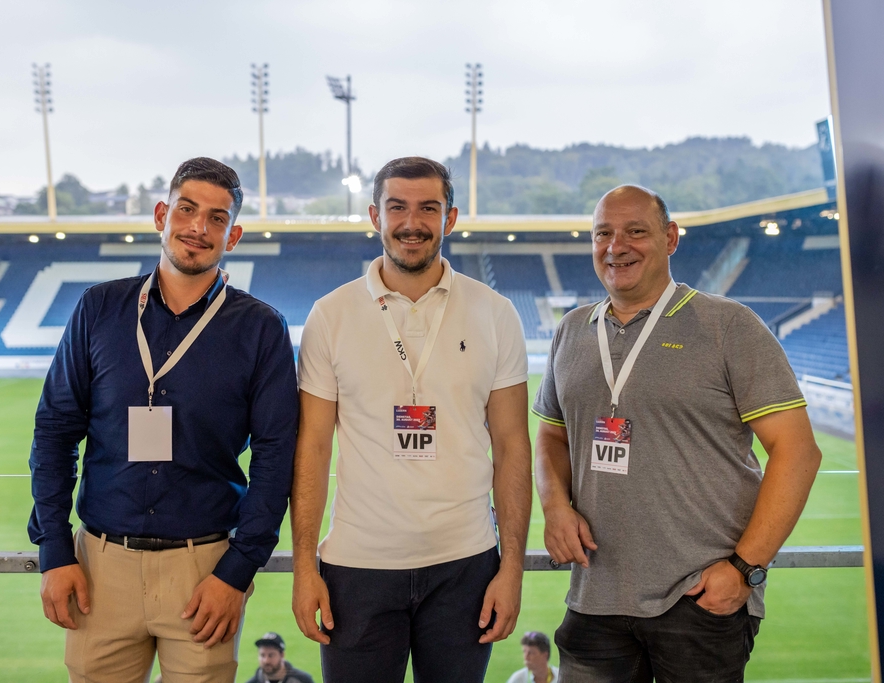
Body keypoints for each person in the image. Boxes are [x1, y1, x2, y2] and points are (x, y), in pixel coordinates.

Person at [533, 184, 822, 682]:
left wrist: (745, 569)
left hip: (698, 600)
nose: (615, 246)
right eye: (603, 233)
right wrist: (555, 504)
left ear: (670, 238)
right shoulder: (572, 330)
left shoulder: (727, 326)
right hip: (595, 599)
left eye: (635, 232)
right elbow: (552, 437)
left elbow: (798, 453)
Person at [29, 157, 298, 682]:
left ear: (233, 235)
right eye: (187, 209)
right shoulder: (99, 308)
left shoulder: (261, 328)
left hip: (204, 572)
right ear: (161, 214)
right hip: (99, 566)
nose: (198, 228)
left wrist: (237, 571)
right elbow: (55, 431)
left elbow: (275, 456)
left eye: (217, 218)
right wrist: (55, 549)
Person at [291, 156, 532, 682]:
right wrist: (304, 566)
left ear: (451, 218)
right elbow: (312, 447)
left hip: (465, 564)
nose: (411, 222)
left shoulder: (495, 313)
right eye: (397, 207)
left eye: (429, 207)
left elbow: (513, 446)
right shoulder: (331, 315)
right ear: (374, 215)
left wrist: (511, 568)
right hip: (358, 566)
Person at [243, 632, 316, 683]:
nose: (266, 661)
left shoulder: (303, 680)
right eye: (262, 655)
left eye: (271, 655)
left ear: (282, 655)